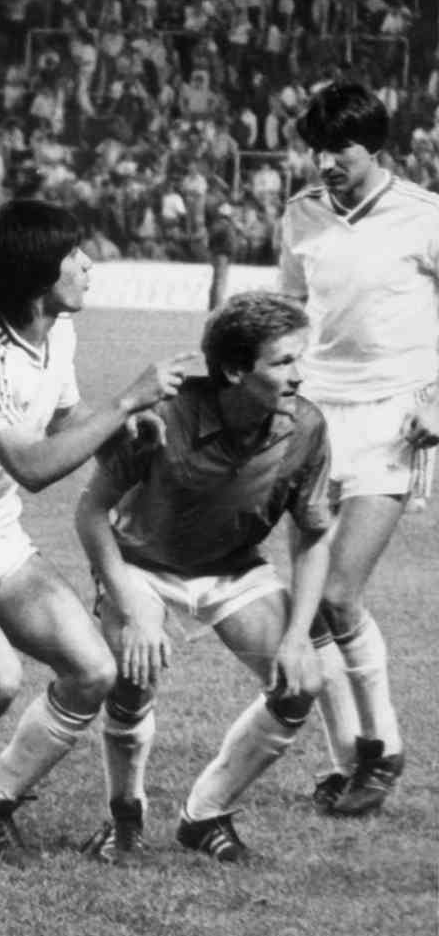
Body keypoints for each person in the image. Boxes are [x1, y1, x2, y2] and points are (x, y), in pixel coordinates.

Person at [0, 200, 193, 861]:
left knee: (93, 672)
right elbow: (33, 467)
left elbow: (67, 421)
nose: (88, 265)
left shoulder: (59, 336)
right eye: (73, 254)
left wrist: (129, 434)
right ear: (35, 271)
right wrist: (126, 401)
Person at [76, 293, 332, 863]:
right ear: (236, 370)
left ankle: (205, 814)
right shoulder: (166, 415)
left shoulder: (308, 426)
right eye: (283, 362)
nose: (299, 374)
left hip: (233, 566)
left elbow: (314, 536)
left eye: (300, 358)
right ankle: (124, 816)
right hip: (141, 563)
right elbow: (91, 512)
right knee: (133, 678)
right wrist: (133, 608)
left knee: (301, 685)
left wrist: (297, 637)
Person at [278, 81, 437, 816]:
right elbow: (288, 312)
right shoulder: (301, 213)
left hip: (393, 419)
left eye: (339, 149)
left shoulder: (423, 215)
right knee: (308, 606)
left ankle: (386, 749)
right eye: (317, 149)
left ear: (375, 148)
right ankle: (349, 760)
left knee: (339, 593)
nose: (325, 163)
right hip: (314, 417)